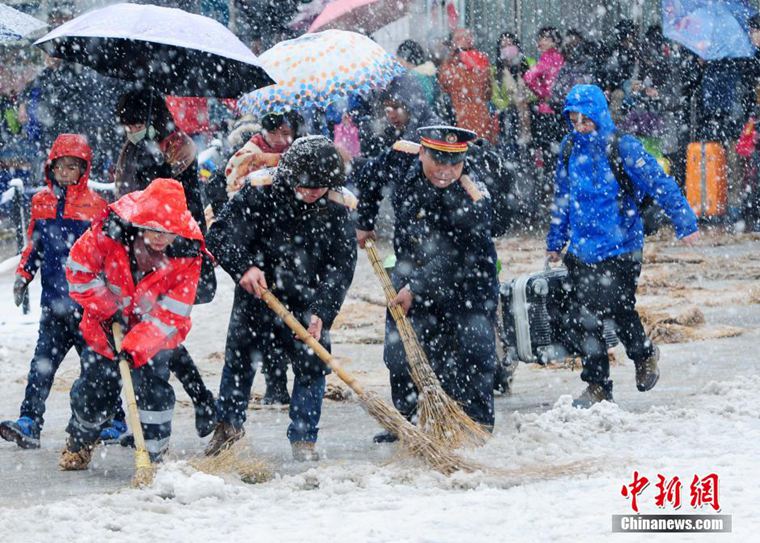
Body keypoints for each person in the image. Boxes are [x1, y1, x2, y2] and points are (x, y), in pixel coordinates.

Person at [546, 84, 700, 408]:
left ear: (600, 116)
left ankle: (644, 355)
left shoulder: (623, 147)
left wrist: (684, 221)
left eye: (586, 120)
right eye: (574, 121)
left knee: (615, 308)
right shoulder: (569, 149)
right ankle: (598, 386)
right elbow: (563, 198)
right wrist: (556, 240)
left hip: (621, 246)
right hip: (583, 249)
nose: (580, 127)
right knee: (584, 317)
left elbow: (660, 184)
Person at [205, 136, 357, 460]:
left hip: (306, 298)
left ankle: (304, 439)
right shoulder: (259, 190)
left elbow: (341, 267)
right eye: (306, 186)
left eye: (319, 187)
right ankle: (228, 429)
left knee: (312, 364)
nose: (311, 193)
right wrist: (244, 267)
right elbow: (219, 234)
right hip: (257, 293)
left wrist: (323, 310)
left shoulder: (338, 205)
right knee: (240, 362)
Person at [354, 126, 500, 442]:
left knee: (470, 352)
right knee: (400, 352)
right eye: (438, 161)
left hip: (468, 282)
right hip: (411, 265)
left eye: (454, 163)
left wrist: (417, 288)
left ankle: (475, 425)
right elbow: (368, 177)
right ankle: (405, 422)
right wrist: (365, 221)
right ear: (422, 152)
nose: (445, 171)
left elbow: (458, 253)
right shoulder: (400, 157)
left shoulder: (473, 194)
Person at [59, 178, 205, 469]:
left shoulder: (187, 253)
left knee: (154, 395)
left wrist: (137, 344)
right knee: (94, 395)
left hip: (154, 337)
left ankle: (152, 457)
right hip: (105, 329)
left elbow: (173, 313)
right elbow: (78, 270)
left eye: (169, 231)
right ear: (141, 222)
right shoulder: (109, 232)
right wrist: (108, 308)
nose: (161, 238)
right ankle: (79, 443)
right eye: (155, 229)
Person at [113, 89, 216, 437]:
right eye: (127, 124)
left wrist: (156, 171)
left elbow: (181, 203)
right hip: (140, 249)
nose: (131, 130)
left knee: (162, 332)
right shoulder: (135, 147)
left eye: (137, 123)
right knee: (152, 333)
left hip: (174, 250)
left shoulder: (178, 149)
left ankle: (185, 404)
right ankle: (198, 400)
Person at [0, 134, 108, 449]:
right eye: (60, 165)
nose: (65, 171)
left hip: (87, 309)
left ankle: (113, 420)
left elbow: (105, 254)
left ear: (83, 170)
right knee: (41, 366)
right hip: (53, 306)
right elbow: (34, 246)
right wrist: (23, 275)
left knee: (98, 369)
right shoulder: (41, 202)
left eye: (73, 166)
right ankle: (29, 421)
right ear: (51, 167)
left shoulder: (95, 206)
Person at [524, 26, 566, 218]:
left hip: (547, 113)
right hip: (560, 112)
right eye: (540, 39)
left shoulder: (548, 58)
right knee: (557, 155)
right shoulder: (561, 58)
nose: (542, 42)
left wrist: (542, 94)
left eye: (546, 39)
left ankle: (550, 196)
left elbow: (529, 77)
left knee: (548, 157)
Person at [438, 28, 498, 143]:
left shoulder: (477, 60)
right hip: (462, 117)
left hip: (475, 118)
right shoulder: (451, 63)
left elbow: (486, 89)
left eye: (468, 36)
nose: (466, 39)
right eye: (460, 38)